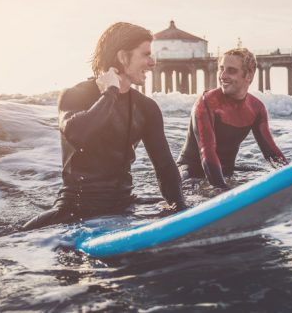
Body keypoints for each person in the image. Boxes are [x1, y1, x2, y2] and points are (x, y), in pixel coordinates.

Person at [22, 22, 186, 230]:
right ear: (123, 57)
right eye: (145, 54)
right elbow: (78, 133)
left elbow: (165, 168)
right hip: (75, 211)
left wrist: (181, 211)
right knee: (15, 237)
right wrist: (110, 93)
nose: (152, 62)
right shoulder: (75, 95)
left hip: (123, 208)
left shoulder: (146, 108)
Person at [176, 48, 288, 189]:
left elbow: (270, 152)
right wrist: (221, 189)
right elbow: (207, 153)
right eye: (221, 69)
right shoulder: (207, 102)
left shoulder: (256, 108)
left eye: (231, 70)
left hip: (225, 173)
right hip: (190, 174)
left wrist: (291, 174)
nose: (223, 75)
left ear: (249, 75)